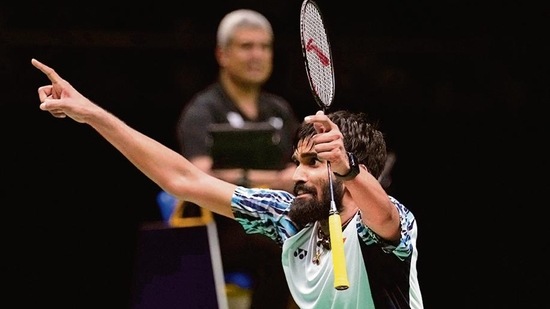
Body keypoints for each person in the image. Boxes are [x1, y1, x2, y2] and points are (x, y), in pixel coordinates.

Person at [31, 58, 424, 308]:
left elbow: (383, 216)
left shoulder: (385, 230)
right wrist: (93, 115)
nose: (298, 175)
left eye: (312, 163)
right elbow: (183, 179)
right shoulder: (288, 218)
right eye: (297, 162)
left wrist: (346, 167)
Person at [175, 9, 300, 309]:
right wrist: (272, 181)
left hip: (275, 219)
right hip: (220, 227)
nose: (257, 55)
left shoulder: (278, 111)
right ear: (222, 54)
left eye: (264, 46)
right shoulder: (203, 111)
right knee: (283, 248)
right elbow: (199, 176)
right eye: (246, 46)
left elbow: (299, 166)